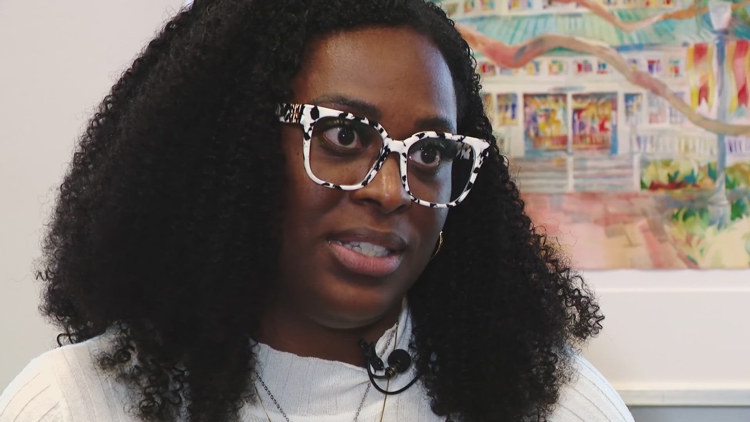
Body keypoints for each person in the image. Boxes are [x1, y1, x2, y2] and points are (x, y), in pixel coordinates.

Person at [0, 0, 633, 420]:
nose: (391, 190)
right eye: (345, 136)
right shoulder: (74, 405)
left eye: (428, 152)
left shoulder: (553, 406)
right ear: (239, 151)